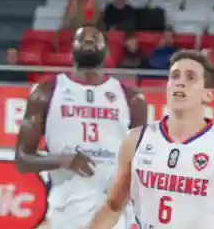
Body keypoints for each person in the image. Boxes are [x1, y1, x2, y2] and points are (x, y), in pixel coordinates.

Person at [83, 50, 214, 229]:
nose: (180, 82)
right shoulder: (136, 140)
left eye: (190, 77)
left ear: (208, 95)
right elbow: (113, 206)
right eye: (175, 76)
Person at [15, 25, 148, 229]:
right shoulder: (45, 92)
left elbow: (143, 163)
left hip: (113, 211)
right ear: (71, 48)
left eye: (95, 38)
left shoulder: (132, 98)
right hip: (65, 209)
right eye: (82, 38)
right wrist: (65, 160)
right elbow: (22, 159)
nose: (88, 40)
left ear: (106, 49)